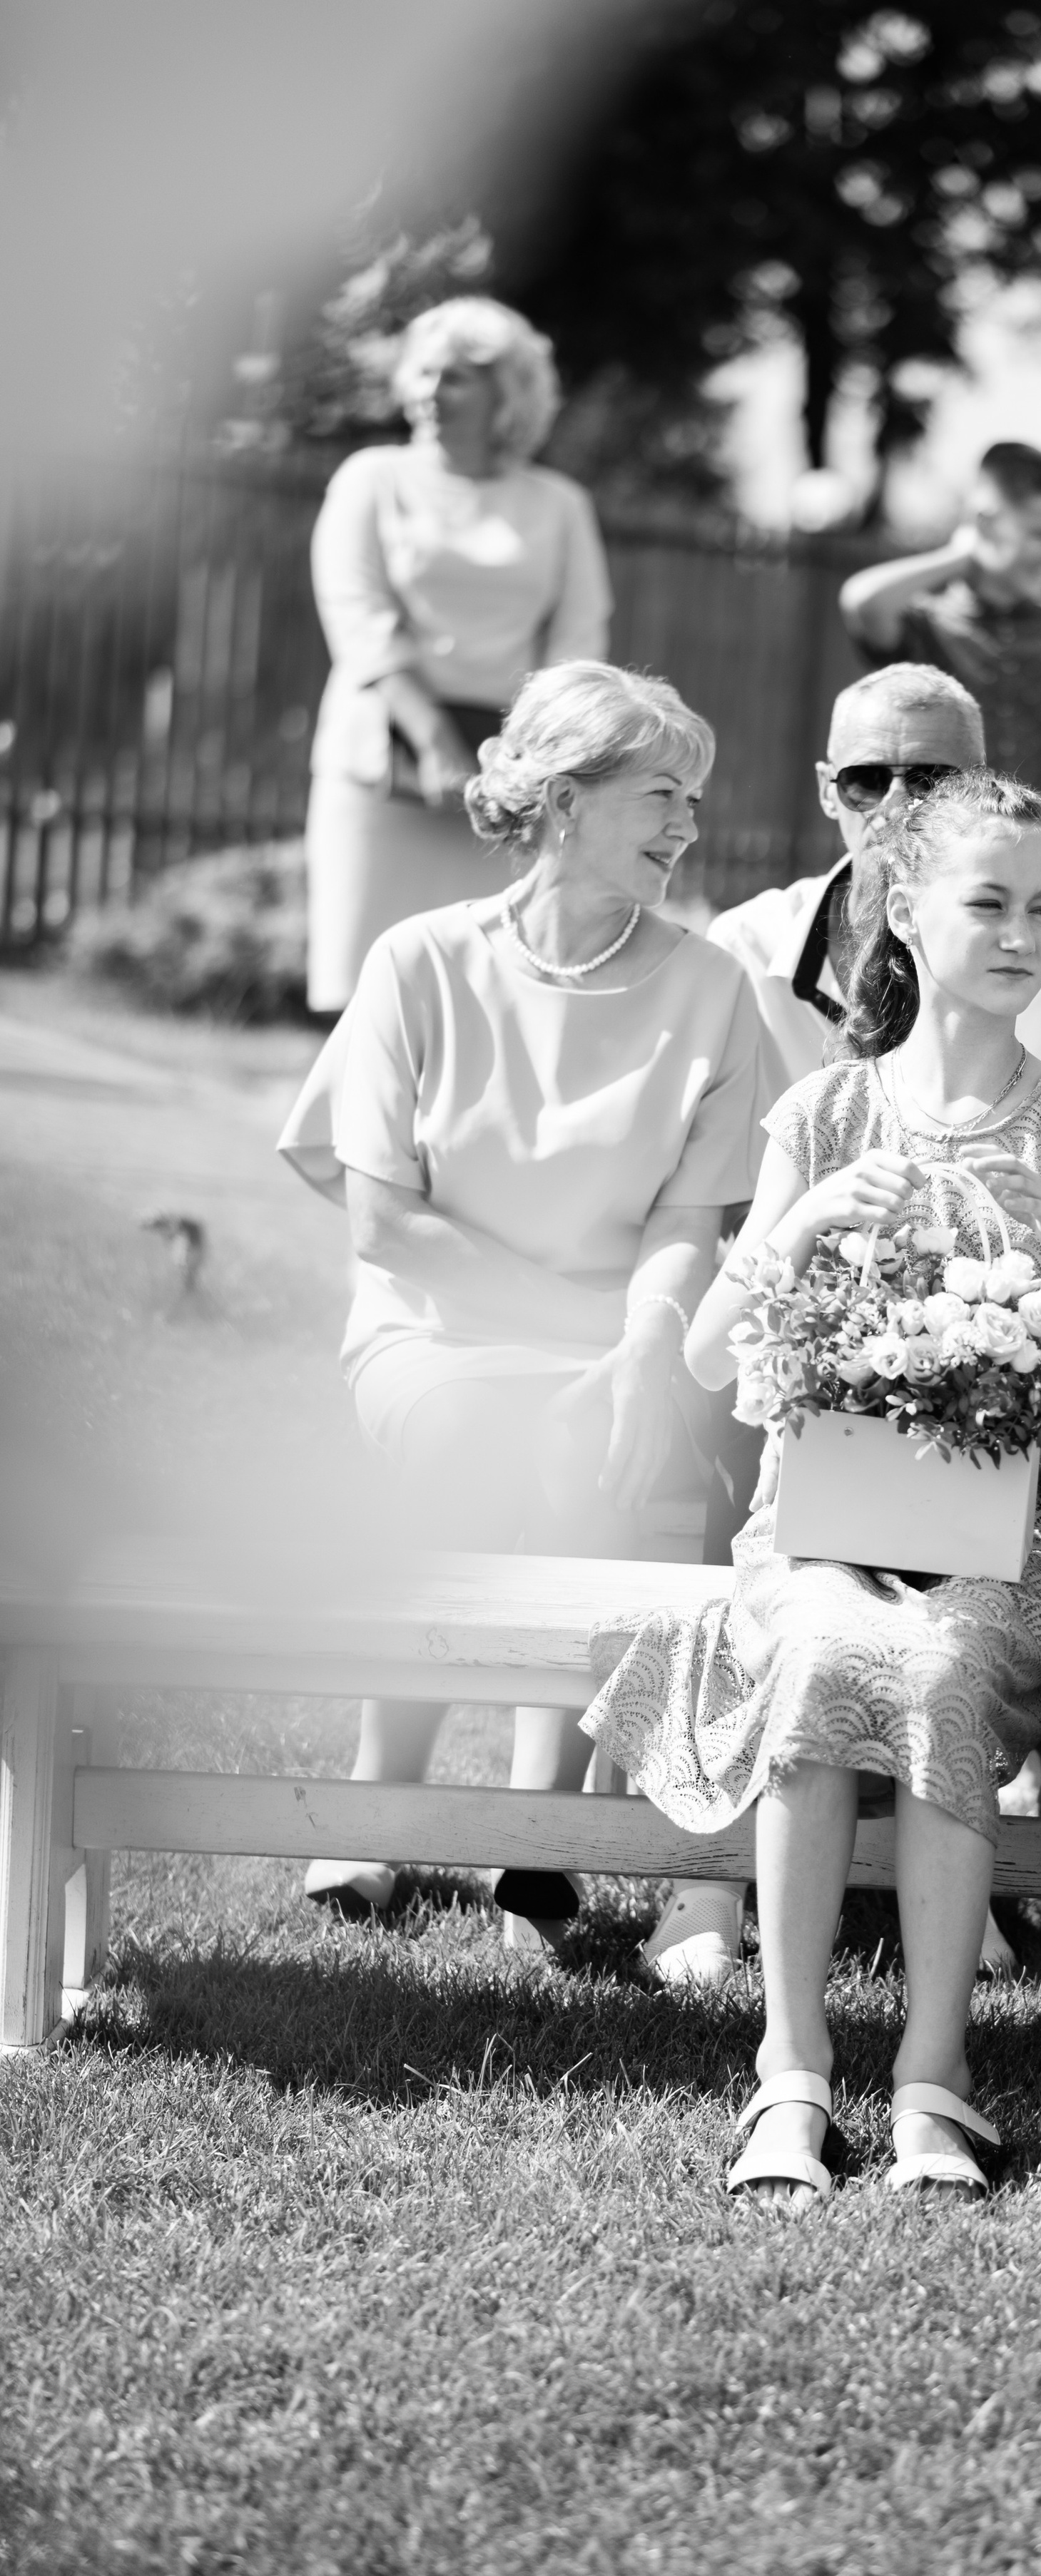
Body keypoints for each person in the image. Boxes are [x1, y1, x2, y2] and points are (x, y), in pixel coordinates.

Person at [584, 773, 1041, 2207]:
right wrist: (810, 1226)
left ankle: (930, 2080)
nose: (1021, 935)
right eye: (987, 904)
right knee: (830, 1648)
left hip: (1007, 1536)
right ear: (905, 909)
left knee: (948, 1662)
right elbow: (713, 1360)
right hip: (822, 1523)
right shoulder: (824, 1115)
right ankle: (790, 2072)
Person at [278, 662, 766, 1935]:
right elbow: (387, 1220)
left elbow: (684, 1223)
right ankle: (383, 1806)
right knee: (472, 1430)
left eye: (694, 798)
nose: (687, 825)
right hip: (436, 1334)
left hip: (622, 1336)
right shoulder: (422, 960)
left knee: (590, 1432)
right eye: (662, 792)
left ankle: (534, 1837)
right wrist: (600, 1333)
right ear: (561, 799)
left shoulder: (710, 984)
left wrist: (647, 1334)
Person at [304, 297, 612, 1013]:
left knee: (481, 999)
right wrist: (437, 745)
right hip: (380, 771)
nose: (427, 392)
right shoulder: (369, 478)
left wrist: (517, 758)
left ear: (508, 392)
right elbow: (360, 623)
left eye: (455, 378)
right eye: (420, 373)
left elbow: (578, 641)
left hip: (510, 780)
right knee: (365, 998)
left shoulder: (559, 504)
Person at [709, 663, 1041, 1093]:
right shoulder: (746, 943)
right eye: (866, 781)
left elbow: (1025, 1102)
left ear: (977, 788)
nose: (896, 804)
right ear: (826, 789)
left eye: (930, 781)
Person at [838, 443, 1041, 815]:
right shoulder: (928, 627)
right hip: (943, 853)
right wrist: (961, 553)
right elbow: (863, 601)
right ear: (985, 524)